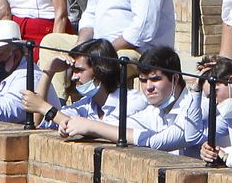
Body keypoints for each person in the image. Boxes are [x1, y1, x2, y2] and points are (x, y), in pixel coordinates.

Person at [65, 46, 203, 155]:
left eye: (155, 79)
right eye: (143, 80)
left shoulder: (197, 105)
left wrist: (91, 126)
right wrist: (74, 125)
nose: (148, 87)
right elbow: (113, 126)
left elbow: (156, 142)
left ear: (175, 78)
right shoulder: (154, 110)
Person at [24, 37, 118, 133]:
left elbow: (117, 132)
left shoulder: (126, 101)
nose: (73, 77)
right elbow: (37, 121)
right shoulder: (86, 104)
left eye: (79, 70)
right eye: (73, 71)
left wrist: (43, 106)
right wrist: (49, 72)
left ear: (100, 70)